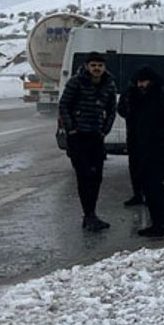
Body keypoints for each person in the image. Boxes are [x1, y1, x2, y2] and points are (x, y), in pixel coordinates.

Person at [116, 66, 164, 237]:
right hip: (144, 150)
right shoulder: (140, 98)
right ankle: (158, 223)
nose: (141, 85)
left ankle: (161, 223)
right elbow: (127, 113)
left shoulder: (163, 97)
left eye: (143, 81)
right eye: (138, 82)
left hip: (158, 150)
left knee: (155, 187)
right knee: (149, 187)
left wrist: (155, 139)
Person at [58, 51, 117, 232]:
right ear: (87, 66)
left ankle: (92, 213)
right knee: (83, 176)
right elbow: (64, 105)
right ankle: (89, 215)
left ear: (104, 67)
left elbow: (111, 109)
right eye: (93, 65)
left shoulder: (109, 84)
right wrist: (71, 128)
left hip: (96, 136)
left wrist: (104, 130)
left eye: (99, 65)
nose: (96, 69)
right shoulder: (76, 82)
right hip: (78, 137)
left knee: (96, 177)